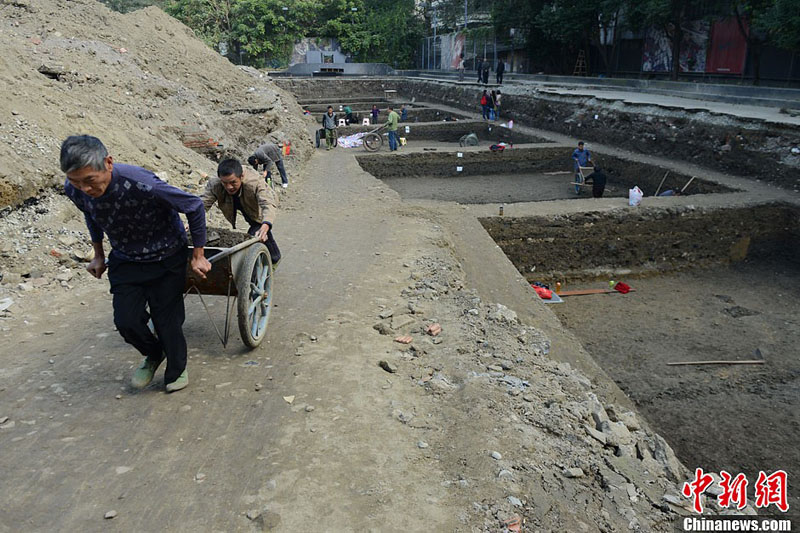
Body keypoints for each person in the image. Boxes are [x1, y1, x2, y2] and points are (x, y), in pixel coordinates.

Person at [61, 135, 211, 393]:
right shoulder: (74, 188)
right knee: (126, 320)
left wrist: (198, 255)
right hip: (126, 258)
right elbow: (92, 216)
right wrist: (98, 254)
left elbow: (194, 206)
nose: (84, 189)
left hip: (166, 256)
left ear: (108, 163)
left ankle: (176, 369)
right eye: (76, 182)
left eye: (89, 181)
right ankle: (154, 354)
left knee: (168, 321)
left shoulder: (142, 184)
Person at [201, 159, 281, 267]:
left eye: (233, 182)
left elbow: (267, 203)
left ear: (241, 176)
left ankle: (273, 259)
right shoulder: (215, 184)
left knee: (256, 230)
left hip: (257, 204)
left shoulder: (254, 182)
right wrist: (190, 221)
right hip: (237, 201)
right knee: (255, 227)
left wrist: (266, 225)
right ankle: (271, 257)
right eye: (225, 183)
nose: (229, 186)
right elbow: (203, 203)